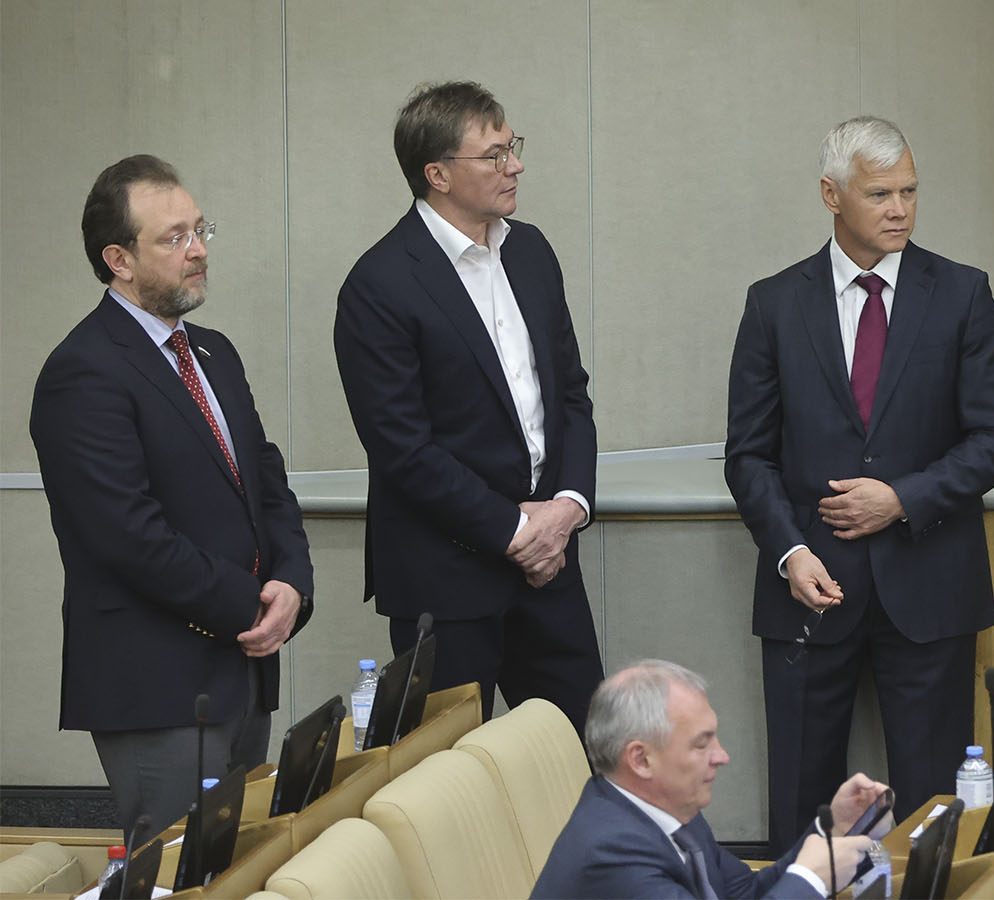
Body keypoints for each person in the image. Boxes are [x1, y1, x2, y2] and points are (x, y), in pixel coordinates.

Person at [725, 115, 994, 851]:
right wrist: (790, 553)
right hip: (809, 588)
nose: (899, 210)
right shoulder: (773, 304)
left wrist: (902, 500)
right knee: (804, 813)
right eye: (880, 194)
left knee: (933, 813)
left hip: (929, 585)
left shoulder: (962, 294)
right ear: (832, 195)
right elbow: (748, 456)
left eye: (909, 192)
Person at [31, 155, 314, 840]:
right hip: (156, 684)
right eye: (174, 237)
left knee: (240, 865)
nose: (198, 250)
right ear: (119, 260)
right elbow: (127, 535)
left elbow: (266, 481)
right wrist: (250, 603)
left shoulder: (214, 352)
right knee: (177, 872)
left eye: (200, 230)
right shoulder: (83, 371)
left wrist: (291, 583)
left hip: (243, 670)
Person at [334, 81, 603, 727]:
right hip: (445, 580)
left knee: (587, 751)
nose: (516, 165)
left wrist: (568, 507)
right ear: (438, 175)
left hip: (550, 567)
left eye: (513, 147)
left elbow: (570, 394)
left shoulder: (531, 252)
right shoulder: (379, 284)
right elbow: (403, 448)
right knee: (452, 773)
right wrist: (517, 533)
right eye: (495, 155)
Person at [532, 660, 884, 899]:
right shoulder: (612, 853)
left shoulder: (669, 811)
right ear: (640, 759)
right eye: (701, 744)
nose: (721, 756)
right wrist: (810, 879)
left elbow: (744, 892)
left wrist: (834, 829)